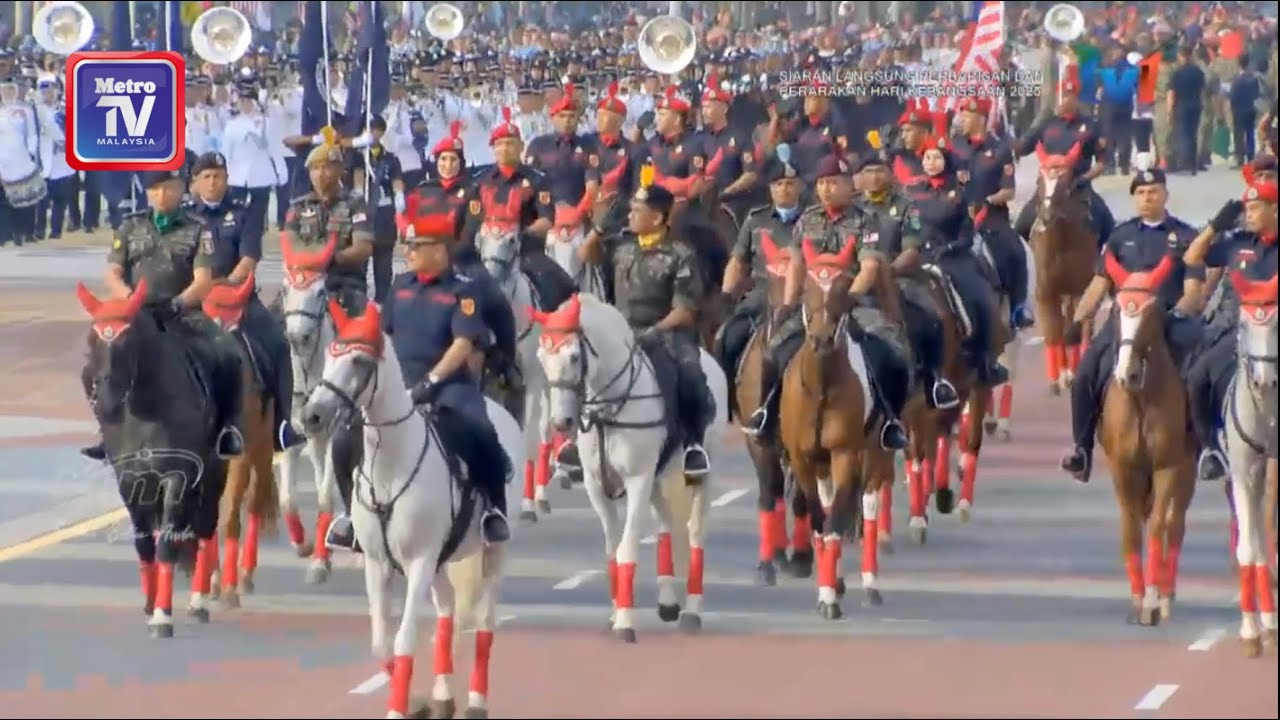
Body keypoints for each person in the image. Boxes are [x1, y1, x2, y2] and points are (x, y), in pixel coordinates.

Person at [325, 212, 513, 550]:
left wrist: (431, 380)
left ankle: (493, 510)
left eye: (415, 246)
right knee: (343, 437)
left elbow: (463, 344)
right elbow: (383, 334)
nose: (407, 251)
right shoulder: (401, 285)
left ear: (439, 250)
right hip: (399, 383)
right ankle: (351, 515)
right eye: (407, 245)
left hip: (449, 384)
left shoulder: (464, 290)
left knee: (481, 430)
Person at [745, 154, 910, 450]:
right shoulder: (807, 219)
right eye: (822, 183)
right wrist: (788, 303)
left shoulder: (866, 221)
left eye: (833, 183)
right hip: (812, 306)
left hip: (855, 302)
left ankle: (890, 420)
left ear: (849, 185)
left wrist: (849, 298)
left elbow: (869, 266)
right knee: (773, 351)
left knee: (893, 352)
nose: (826, 189)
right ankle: (766, 413)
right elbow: (797, 264)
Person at [555, 179, 716, 479]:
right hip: (622, 330)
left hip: (666, 331)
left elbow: (684, 312)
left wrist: (655, 331)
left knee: (691, 374)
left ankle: (693, 445)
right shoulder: (621, 245)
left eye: (637, 210)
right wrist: (600, 228)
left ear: (656, 218)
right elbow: (585, 254)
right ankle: (577, 439)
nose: (630, 215)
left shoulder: (680, 255)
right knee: (580, 362)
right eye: (630, 210)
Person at [81, 170, 245, 462]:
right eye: (155, 189)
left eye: (168, 188)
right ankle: (106, 429)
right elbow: (113, 274)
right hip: (135, 314)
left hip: (181, 313)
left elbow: (203, 280)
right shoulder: (130, 226)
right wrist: (130, 300)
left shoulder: (198, 228)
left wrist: (177, 304)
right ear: (147, 193)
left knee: (228, 353)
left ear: (180, 189)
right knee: (96, 361)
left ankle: (227, 428)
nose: (162, 195)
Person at [1058, 167, 1205, 483]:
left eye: (1153, 192)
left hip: (1170, 321)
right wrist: (1078, 319)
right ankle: (1082, 449)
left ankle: (1207, 447)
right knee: (1084, 376)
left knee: (1201, 374)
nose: (1147, 198)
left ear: (1165, 194)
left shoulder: (1186, 237)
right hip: (1124, 323)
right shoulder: (1119, 236)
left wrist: (1174, 314)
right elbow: (1098, 285)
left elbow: (1194, 292)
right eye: (1140, 193)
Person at [185, 151, 305, 452]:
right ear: (195, 182)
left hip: (238, 299)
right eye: (206, 177)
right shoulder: (184, 217)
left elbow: (248, 259)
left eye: (218, 176)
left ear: (227, 179)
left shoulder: (244, 213)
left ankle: (282, 425)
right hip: (192, 300)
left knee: (279, 345)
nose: (213, 182)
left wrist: (223, 285)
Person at [1186, 181, 1278, 481]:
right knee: (1197, 377)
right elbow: (1191, 257)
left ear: (1274, 210)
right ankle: (1210, 450)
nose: (1247, 214)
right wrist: (1215, 226)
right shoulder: (1237, 243)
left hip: (1275, 331)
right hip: (1240, 331)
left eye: (1255, 208)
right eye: (1246, 209)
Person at [901, 135, 1010, 387]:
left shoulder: (960, 190)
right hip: (917, 257)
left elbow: (968, 232)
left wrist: (950, 247)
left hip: (953, 257)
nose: (931, 162)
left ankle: (986, 359)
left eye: (936, 157)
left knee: (980, 297)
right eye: (927, 157)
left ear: (946, 160)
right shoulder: (911, 192)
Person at [716, 151, 804, 402]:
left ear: (799, 186)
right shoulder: (756, 219)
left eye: (790, 183)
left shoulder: (813, 219)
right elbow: (738, 260)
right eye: (779, 184)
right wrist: (726, 294)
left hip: (801, 296)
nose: (784, 189)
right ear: (770, 188)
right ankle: (727, 399)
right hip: (762, 293)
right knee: (728, 337)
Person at [950, 97, 1034, 330]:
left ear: (981, 118)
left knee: (1015, 250)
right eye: (961, 114)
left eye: (966, 115)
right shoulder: (955, 148)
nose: (961, 119)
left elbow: (1009, 191)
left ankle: (1019, 307)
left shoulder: (1000, 150)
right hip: (957, 217)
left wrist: (986, 201)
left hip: (991, 217)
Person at [1013, 69, 1115, 249]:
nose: (1064, 100)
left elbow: (1102, 162)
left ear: (1077, 99)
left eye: (1068, 96)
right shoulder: (1046, 123)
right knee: (1021, 226)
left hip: (1077, 187)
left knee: (1108, 224)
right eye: (1061, 96)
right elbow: (1022, 148)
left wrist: (1084, 178)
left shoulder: (1091, 125)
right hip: (1048, 187)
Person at [282, 145, 375, 314]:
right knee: (276, 318)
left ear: (340, 170)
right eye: (315, 169)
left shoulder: (355, 204)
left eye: (326, 168)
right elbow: (289, 244)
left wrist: (330, 258)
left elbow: (363, 248)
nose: (320, 174)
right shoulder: (298, 207)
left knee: (360, 320)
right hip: (305, 281)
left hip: (344, 282)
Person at [348, 115, 406, 304]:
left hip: (384, 214)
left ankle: (383, 301)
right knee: (360, 261)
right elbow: (357, 177)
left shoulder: (390, 159)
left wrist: (399, 196)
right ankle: (359, 302)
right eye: (368, 129)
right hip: (364, 213)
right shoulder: (358, 157)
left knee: (383, 263)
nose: (371, 133)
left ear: (381, 132)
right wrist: (358, 195)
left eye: (375, 129)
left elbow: (397, 180)